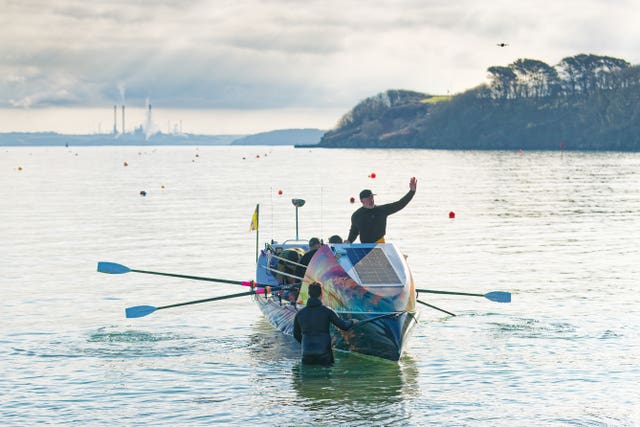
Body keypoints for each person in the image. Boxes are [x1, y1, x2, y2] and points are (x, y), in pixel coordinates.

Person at [293, 283, 357, 366]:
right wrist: (352, 321)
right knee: (325, 377)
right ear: (321, 295)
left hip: (307, 352)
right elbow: (343, 326)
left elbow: (296, 334)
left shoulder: (300, 313)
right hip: (323, 353)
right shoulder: (327, 311)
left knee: (308, 377)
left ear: (309, 294)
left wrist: (306, 344)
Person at [345, 177, 417, 244]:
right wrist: (349, 241)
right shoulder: (357, 215)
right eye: (368, 199)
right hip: (365, 246)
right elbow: (354, 232)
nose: (371, 200)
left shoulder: (382, 210)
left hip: (380, 245)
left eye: (371, 197)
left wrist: (412, 191)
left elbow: (400, 204)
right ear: (362, 201)